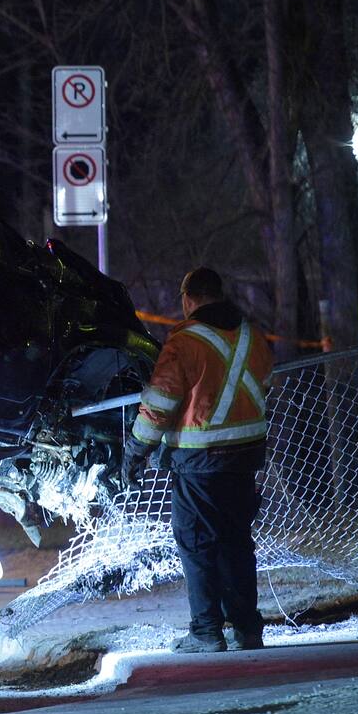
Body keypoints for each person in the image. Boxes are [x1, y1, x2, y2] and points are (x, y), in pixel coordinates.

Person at [121, 267, 274, 653]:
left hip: (199, 461)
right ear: (219, 294)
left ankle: (206, 631)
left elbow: (159, 404)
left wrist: (137, 449)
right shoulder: (252, 336)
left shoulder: (183, 342)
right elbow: (262, 383)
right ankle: (247, 629)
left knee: (196, 543)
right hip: (245, 457)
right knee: (236, 542)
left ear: (187, 299)